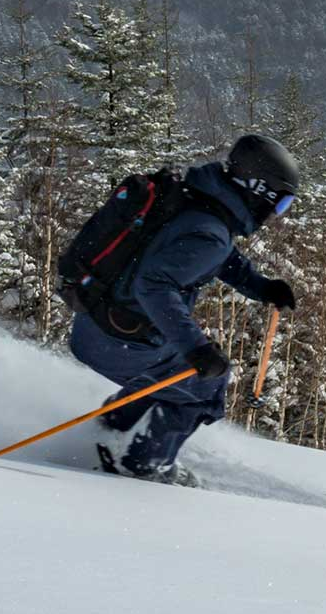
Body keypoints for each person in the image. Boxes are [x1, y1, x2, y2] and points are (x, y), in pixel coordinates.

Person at [70, 133, 302, 481]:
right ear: (259, 190)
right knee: (206, 385)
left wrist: (261, 286)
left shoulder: (196, 201)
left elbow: (212, 255)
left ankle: (111, 427)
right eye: (281, 204)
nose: (276, 213)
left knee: (171, 370)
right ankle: (145, 466)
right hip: (120, 341)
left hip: (98, 323)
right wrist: (197, 349)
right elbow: (154, 285)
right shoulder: (210, 229)